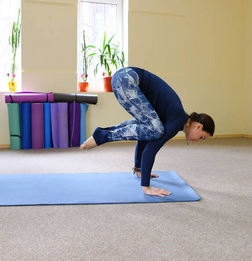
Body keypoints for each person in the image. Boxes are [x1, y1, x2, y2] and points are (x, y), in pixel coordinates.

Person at [81, 67, 215, 197]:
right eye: (202, 137)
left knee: (151, 129)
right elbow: (151, 149)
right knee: (156, 130)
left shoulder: (175, 117)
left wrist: (140, 169)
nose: (197, 141)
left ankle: (103, 133)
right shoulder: (178, 120)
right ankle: (102, 136)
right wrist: (147, 187)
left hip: (124, 78)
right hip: (126, 80)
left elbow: (145, 136)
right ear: (199, 127)